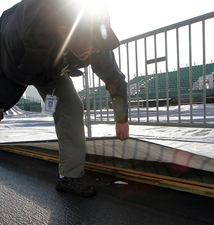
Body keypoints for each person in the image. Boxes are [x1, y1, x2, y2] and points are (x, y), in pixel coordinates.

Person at [0, 0, 129, 197]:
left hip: (52, 64)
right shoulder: (24, 37)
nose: (96, 50)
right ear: (64, 31)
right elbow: (17, 76)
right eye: (92, 43)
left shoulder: (96, 47)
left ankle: (68, 176)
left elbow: (114, 78)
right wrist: (55, 71)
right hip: (11, 60)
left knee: (71, 106)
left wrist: (121, 118)